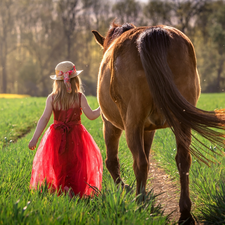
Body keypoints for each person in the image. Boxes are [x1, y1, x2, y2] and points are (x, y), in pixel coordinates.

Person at [28, 61, 103, 198]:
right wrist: (103, 107)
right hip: (77, 136)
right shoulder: (79, 97)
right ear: (75, 80)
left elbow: (44, 119)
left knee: (59, 164)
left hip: (56, 137)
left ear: (57, 81)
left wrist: (35, 138)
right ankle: (75, 191)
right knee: (77, 163)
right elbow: (92, 116)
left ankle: (63, 189)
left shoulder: (52, 98)